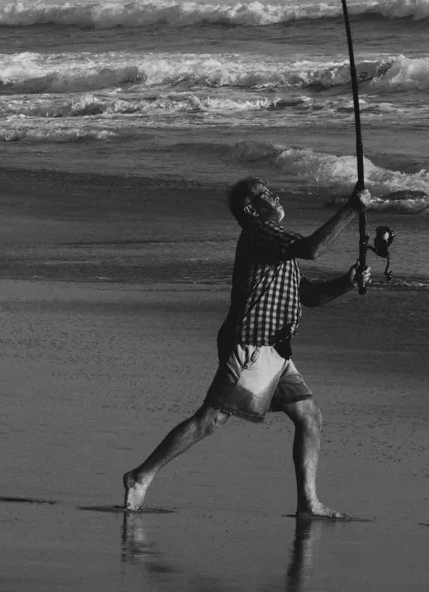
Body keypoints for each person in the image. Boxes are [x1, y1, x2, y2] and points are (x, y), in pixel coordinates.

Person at [122, 177, 370, 518]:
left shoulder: (274, 241)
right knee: (210, 421)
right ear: (252, 208)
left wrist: (346, 283)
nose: (275, 194)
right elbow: (313, 249)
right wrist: (351, 210)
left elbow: (308, 296)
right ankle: (140, 475)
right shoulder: (259, 232)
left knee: (309, 416)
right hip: (250, 346)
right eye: (265, 193)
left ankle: (308, 503)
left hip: (277, 351)